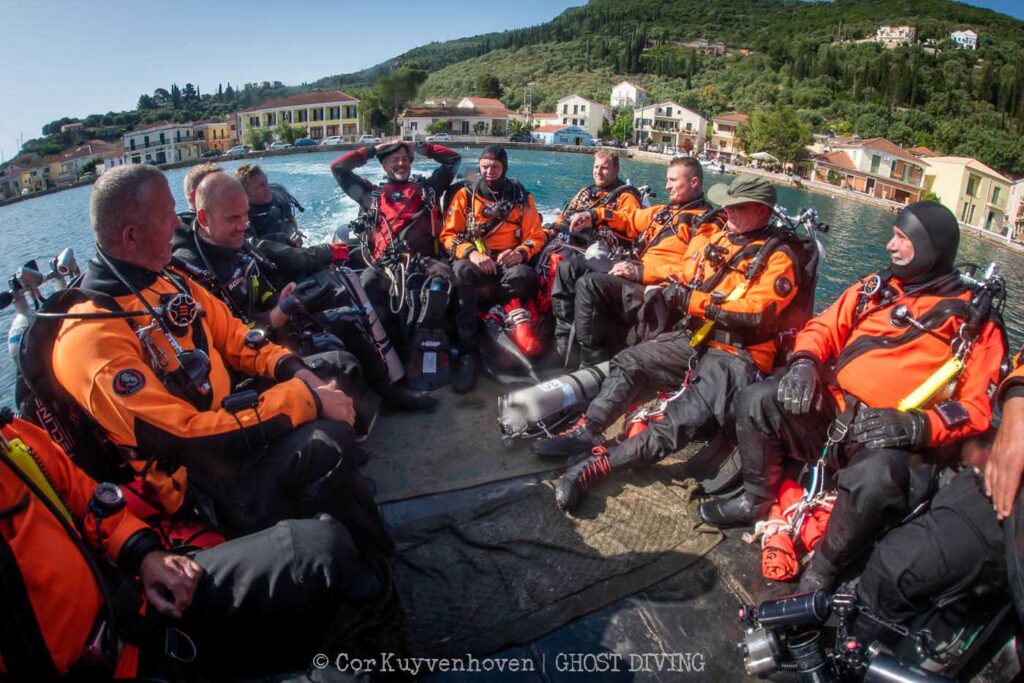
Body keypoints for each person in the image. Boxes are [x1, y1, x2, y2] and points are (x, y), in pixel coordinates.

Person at [49, 165, 388, 550]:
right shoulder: (91, 338)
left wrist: (299, 373)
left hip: (227, 433)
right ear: (131, 235)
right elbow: (184, 438)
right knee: (327, 440)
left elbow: (240, 338)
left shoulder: (167, 282)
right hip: (201, 484)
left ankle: (358, 535)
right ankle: (361, 564)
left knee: (331, 378)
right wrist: (306, 399)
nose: (178, 222)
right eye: (167, 215)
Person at [698, 201, 1006, 593]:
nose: (890, 246)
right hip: (836, 412)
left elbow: (976, 409)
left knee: (876, 477)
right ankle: (755, 499)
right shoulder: (875, 290)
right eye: (893, 236)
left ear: (931, 248)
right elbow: (822, 328)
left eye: (902, 239)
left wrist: (918, 425)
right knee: (758, 399)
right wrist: (805, 363)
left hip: (890, 435)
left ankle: (826, 564)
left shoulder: (973, 323)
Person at [0, 410, 374, 679]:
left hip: (140, 612)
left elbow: (89, 500)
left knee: (316, 549)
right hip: (112, 659)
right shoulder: (90, 342)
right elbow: (179, 431)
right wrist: (302, 397)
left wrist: (144, 554)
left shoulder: (14, 438)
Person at [539, 176, 801, 512]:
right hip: (696, 337)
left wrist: (692, 300)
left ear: (762, 212)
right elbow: (686, 270)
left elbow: (756, 315)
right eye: (729, 205)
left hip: (738, 355)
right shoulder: (722, 236)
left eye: (739, 207)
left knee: (679, 419)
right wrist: (658, 281)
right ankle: (590, 428)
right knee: (630, 360)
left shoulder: (780, 259)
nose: (729, 212)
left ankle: (598, 467)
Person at [174, 172, 436, 420]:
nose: (243, 226)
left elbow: (260, 285)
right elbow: (225, 342)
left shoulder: (239, 245)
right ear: (205, 219)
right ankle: (347, 431)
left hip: (273, 332)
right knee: (339, 364)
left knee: (346, 319)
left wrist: (279, 299)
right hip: (250, 361)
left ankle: (390, 393)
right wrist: (275, 315)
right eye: (233, 219)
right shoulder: (194, 275)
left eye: (245, 216)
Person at [561, 157, 720, 365]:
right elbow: (628, 220)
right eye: (667, 180)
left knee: (590, 284)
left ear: (694, 183)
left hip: (658, 287)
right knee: (570, 267)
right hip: (636, 272)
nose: (667, 186)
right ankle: (562, 342)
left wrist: (641, 272)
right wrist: (594, 214)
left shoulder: (706, 223)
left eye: (673, 180)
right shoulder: (663, 212)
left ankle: (591, 362)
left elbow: (693, 270)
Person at [331, 139, 461, 352]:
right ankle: (384, 350)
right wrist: (373, 149)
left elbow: (453, 159)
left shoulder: (428, 189)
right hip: (384, 266)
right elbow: (338, 168)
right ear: (383, 165)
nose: (401, 164)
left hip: (424, 262)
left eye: (405, 159)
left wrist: (420, 146)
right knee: (365, 285)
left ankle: (454, 347)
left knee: (450, 281)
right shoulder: (370, 194)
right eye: (394, 160)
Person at [441, 145, 548, 392]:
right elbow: (448, 235)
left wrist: (520, 252)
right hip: (476, 261)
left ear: (504, 168)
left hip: (507, 263)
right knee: (463, 273)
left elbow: (536, 236)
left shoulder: (521, 198)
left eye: (495, 166)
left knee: (524, 277)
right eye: (485, 166)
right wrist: (471, 253)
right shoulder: (465, 196)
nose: (489, 171)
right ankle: (468, 350)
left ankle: (505, 316)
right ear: (479, 166)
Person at [547, 151, 643, 362]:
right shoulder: (586, 192)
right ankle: (561, 337)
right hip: (573, 246)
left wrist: (597, 221)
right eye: (596, 167)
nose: (598, 172)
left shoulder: (626, 197)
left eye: (605, 167)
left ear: (616, 170)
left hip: (608, 257)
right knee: (550, 260)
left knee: (568, 268)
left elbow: (630, 225)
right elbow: (563, 217)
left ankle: (577, 348)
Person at [234, 163, 350, 287]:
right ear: (245, 195)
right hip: (275, 275)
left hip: (299, 257)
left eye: (266, 181)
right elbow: (265, 250)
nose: (267, 187)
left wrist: (295, 238)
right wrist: (321, 252)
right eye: (259, 186)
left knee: (343, 244)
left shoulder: (279, 199)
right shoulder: (242, 221)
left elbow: (291, 225)